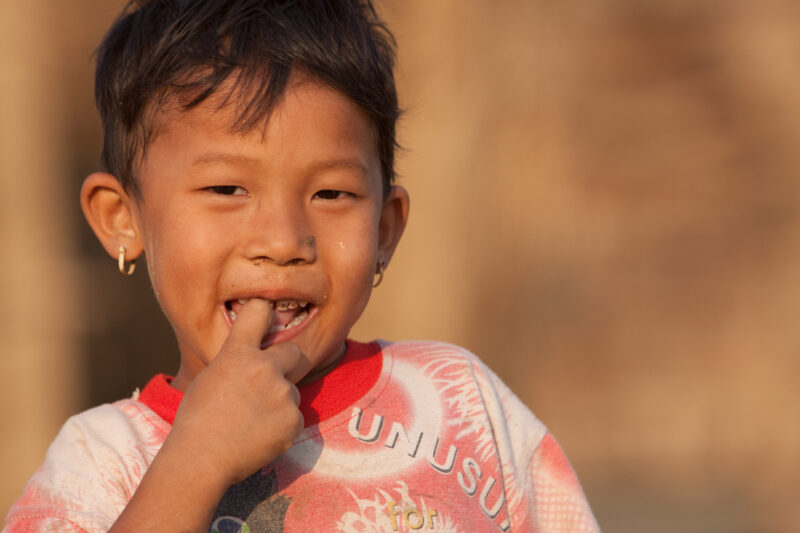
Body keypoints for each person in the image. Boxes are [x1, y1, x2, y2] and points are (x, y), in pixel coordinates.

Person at [4, 1, 600, 531]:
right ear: (121, 220)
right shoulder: (100, 463)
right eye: (227, 188)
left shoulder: (460, 402)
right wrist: (196, 461)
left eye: (332, 195)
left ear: (384, 229)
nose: (284, 240)